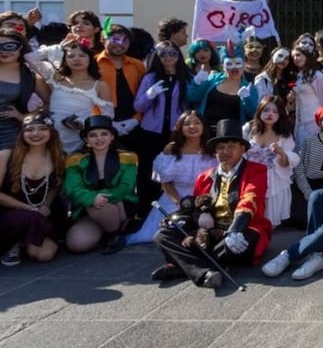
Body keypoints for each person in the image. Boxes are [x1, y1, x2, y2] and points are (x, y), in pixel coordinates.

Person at [151, 118, 271, 289]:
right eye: (220, 147)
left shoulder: (257, 170)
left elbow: (250, 199)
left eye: (231, 147)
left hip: (243, 229)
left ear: (242, 149)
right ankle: (203, 272)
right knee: (162, 235)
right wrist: (177, 219)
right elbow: (197, 208)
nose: (225, 151)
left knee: (242, 241)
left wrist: (235, 230)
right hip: (208, 234)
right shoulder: (205, 176)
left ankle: (183, 266)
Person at [127, 110, 217, 245]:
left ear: (204, 126)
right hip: (174, 197)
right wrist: (179, 202)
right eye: (187, 124)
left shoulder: (211, 148)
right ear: (180, 127)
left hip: (204, 197)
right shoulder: (172, 149)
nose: (192, 127)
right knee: (168, 231)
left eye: (197, 123)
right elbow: (165, 182)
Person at [132, 40, 192, 223]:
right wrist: (150, 94)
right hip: (151, 132)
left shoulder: (186, 77)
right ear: (157, 57)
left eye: (172, 53)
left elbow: (191, 104)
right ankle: (144, 211)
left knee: (171, 172)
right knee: (147, 173)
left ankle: (172, 211)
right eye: (163, 53)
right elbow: (138, 105)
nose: (168, 57)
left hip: (174, 134)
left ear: (178, 56)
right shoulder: (150, 78)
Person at [64, 115, 138, 254]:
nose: (99, 139)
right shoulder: (75, 160)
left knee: (98, 205)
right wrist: (92, 198)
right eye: (93, 135)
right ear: (86, 139)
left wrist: (102, 197)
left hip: (120, 204)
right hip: (89, 207)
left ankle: (115, 234)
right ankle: (107, 229)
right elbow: (72, 188)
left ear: (112, 137)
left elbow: (127, 186)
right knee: (76, 244)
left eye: (104, 134)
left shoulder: (127, 157)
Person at [0, 111, 65, 265]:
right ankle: (11, 243)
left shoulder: (59, 156)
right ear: (22, 133)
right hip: (10, 214)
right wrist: (30, 208)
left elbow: (56, 185)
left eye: (42, 128)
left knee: (44, 254)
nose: (36, 133)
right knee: (29, 218)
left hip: (40, 214)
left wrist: (46, 205)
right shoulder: (7, 154)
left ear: (51, 131)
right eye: (29, 129)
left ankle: (26, 240)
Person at [47, 40, 114, 154]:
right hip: (52, 138)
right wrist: (59, 47)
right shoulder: (56, 80)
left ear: (90, 59)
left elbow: (108, 115)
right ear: (65, 60)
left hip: (80, 139)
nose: (76, 59)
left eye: (82, 55)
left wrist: (81, 123)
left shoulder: (99, 85)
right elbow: (30, 57)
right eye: (71, 56)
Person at [243, 95, 299, 226]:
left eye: (275, 112)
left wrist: (281, 152)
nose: (270, 114)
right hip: (250, 176)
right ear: (260, 111)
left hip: (273, 178)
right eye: (266, 110)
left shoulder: (284, 134)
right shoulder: (248, 129)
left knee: (268, 219)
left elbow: (288, 162)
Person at [187, 44, 258, 131]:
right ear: (223, 67)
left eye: (238, 63)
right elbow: (192, 98)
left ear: (243, 65)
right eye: (229, 64)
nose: (234, 67)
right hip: (206, 130)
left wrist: (247, 99)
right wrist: (197, 83)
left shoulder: (249, 87)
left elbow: (253, 114)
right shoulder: (213, 79)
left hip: (231, 133)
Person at [95, 24, 145, 144]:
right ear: (103, 39)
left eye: (125, 41)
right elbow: (87, 95)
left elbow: (143, 94)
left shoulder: (138, 65)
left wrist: (136, 119)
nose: (120, 44)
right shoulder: (92, 63)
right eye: (115, 39)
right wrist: (103, 120)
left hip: (133, 123)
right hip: (100, 124)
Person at [0, 29, 49, 150]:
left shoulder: (31, 76)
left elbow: (49, 103)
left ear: (21, 48)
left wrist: (24, 117)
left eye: (10, 46)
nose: (4, 51)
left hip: (9, 131)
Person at [288, 45, 323, 148]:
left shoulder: (318, 77)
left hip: (314, 123)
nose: (296, 59)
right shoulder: (299, 76)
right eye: (293, 57)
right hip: (300, 122)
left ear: (307, 55)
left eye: (298, 55)